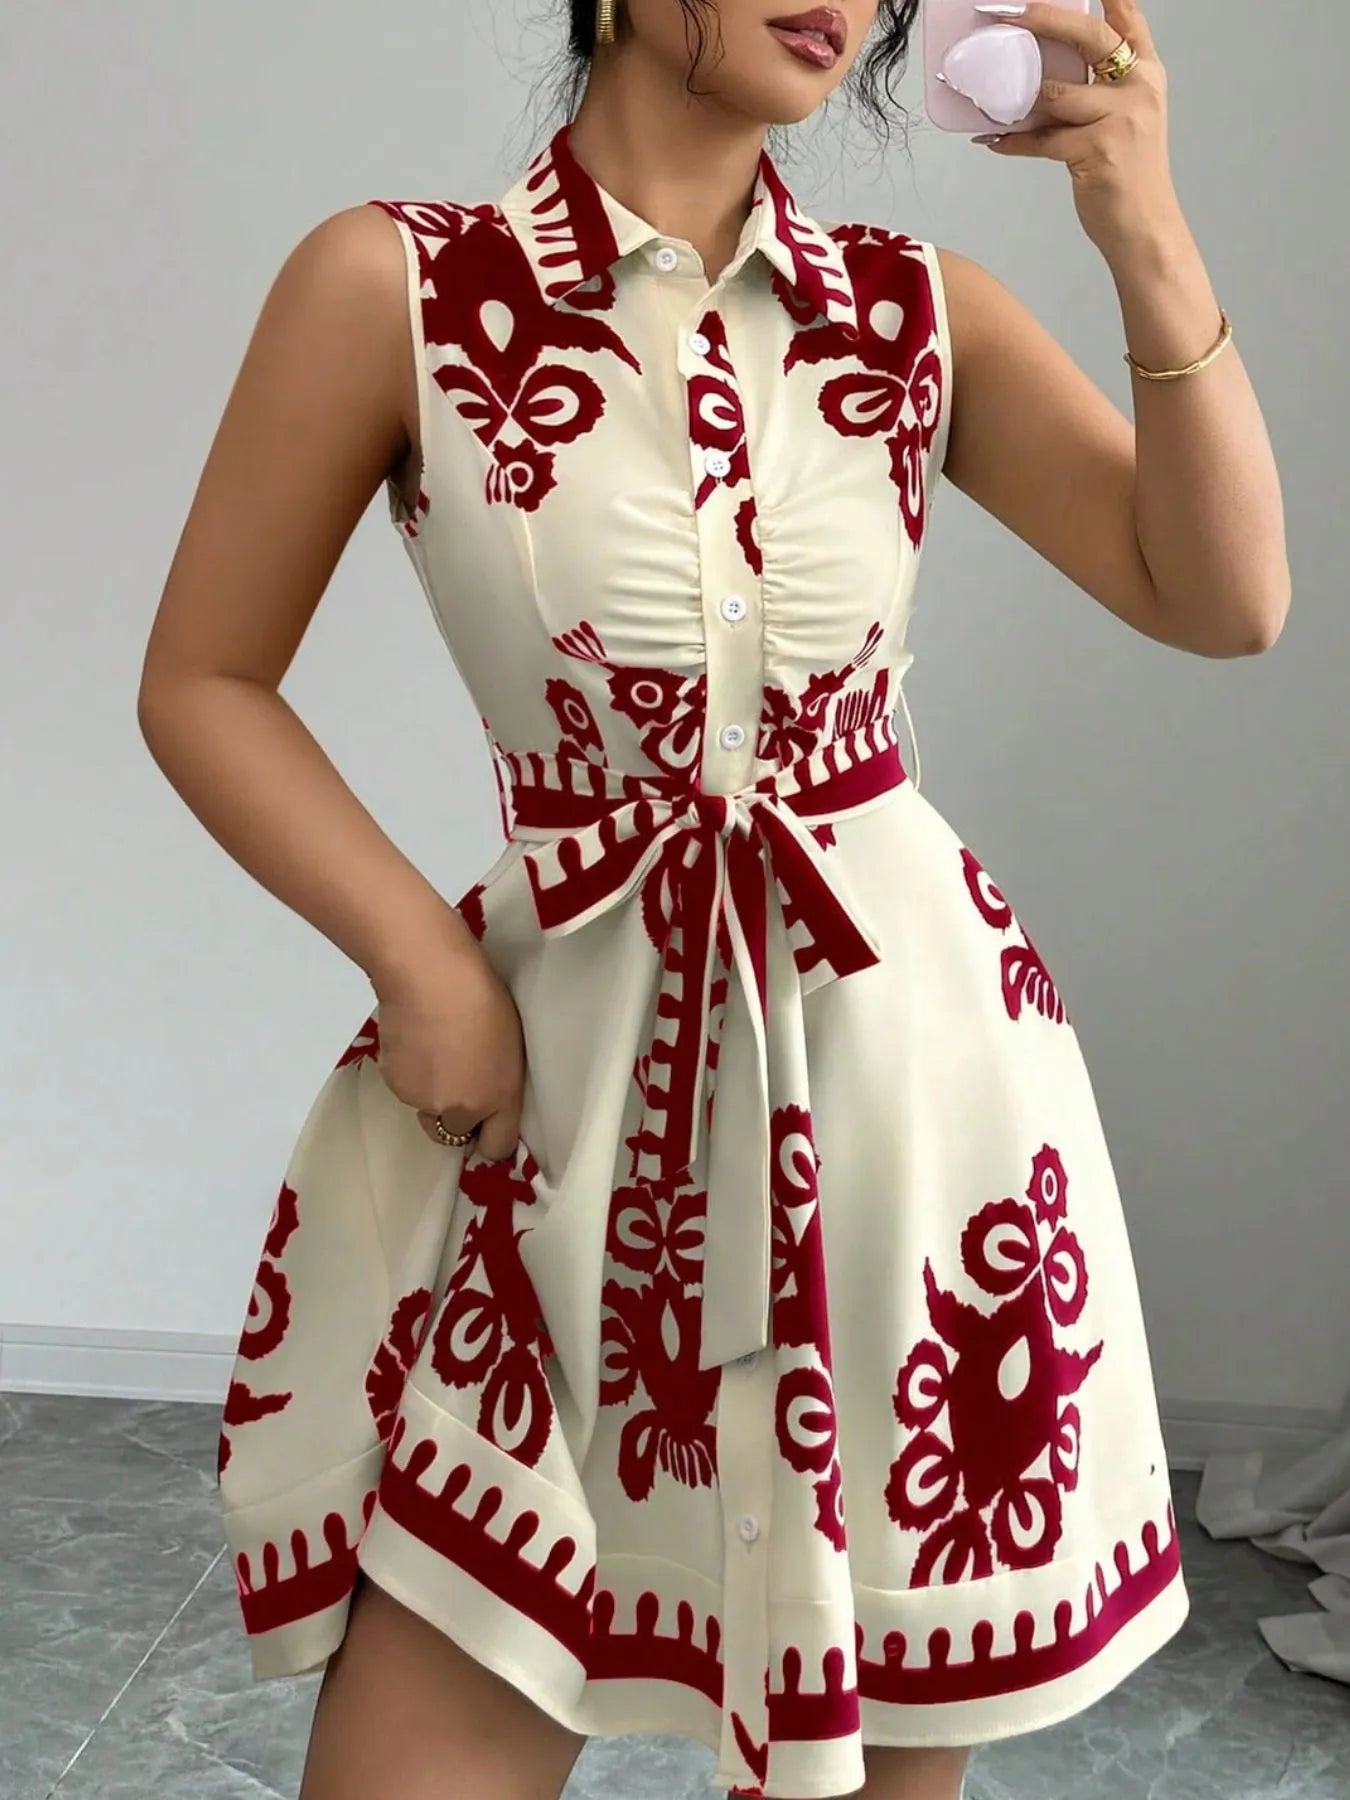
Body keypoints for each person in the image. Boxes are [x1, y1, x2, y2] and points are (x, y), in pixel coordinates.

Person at [136, 0, 1288, 1795]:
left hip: (902, 1097)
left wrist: (1139, 218)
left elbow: (1222, 601)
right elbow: (204, 679)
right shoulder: (401, 287)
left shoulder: (914, 312)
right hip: (570, 1093)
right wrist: (421, 962)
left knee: (875, 1723)